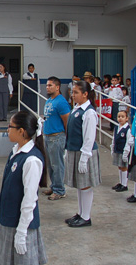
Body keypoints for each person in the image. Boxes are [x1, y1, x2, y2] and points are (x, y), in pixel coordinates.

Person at [0, 111, 47, 265]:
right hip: (11, 219)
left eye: (11, 127)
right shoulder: (16, 151)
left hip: (22, 223)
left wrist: (22, 231)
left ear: (22, 132)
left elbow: (29, 199)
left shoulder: (31, 160)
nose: (8, 129)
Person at [64, 80, 100, 228]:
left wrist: (84, 157)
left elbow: (89, 137)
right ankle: (81, 212)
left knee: (85, 185)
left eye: (76, 92)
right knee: (80, 184)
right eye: (72, 92)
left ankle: (86, 216)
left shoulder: (89, 112)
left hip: (84, 152)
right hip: (74, 150)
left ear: (85, 94)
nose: (73, 95)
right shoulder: (76, 109)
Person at [42, 77, 70, 201]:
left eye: (50, 85)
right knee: (51, 165)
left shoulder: (61, 102)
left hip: (57, 137)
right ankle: (54, 186)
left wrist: (65, 137)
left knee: (57, 165)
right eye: (47, 85)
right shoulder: (49, 101)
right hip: (47, 137)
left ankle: (59, 190)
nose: (47, 87)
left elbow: (67, 121)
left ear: (57, 87)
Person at [110, 110, 132, 193]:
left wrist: (126, 153)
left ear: (127, 118)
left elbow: (128, 142)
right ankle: (121, 182)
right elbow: (114, 139)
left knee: (124, 167)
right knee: (119, 166)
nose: (120, 118)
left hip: (123, 151)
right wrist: (112, 148)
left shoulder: (127, 129)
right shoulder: (116, 128)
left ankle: (124, 184)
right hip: (117, 150)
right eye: (119, 116)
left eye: (122, 117)